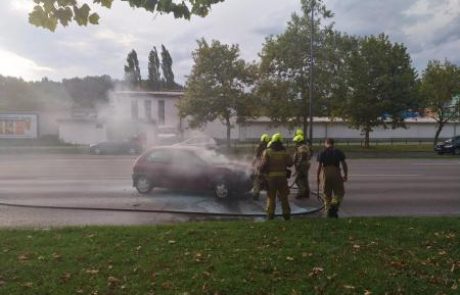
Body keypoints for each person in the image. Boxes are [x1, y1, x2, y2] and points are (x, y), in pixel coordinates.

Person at [259, 133, 293, 220]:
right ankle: (286, 215)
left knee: (271, 197)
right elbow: (290, 163)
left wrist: (260, 172)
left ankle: (270, 215)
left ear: (272, 141)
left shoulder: (267, 152)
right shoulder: (285, 152)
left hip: (271, 179)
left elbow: (263, 166)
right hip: (282, 178)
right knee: (284, 197)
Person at [316, 138, 348, 218]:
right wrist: (345, 175)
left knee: (326, 194)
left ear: (326, 143)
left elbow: (319, 166)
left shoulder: (322, 152)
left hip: (325, 173)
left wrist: (317, 178)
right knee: (340, 192)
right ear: (333, 144)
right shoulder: (338, 152)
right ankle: (334, 204)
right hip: (336, 172)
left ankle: (327, 212)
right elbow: (344, 164)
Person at [251, 133, 270, 200]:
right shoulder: (269, 147)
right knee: (268, 181)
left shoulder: (259, 147)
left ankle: (256, 194)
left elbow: (256, 157)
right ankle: (270, 194)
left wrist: (253, 165)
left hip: (260, 166)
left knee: (257, 180)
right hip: (268, 167)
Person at [292, 134, 312, 199]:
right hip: (306, 165)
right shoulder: (306, 147)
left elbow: (301, 157)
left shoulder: (301, 148)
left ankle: (301, 193)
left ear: (298, 141)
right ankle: (306, 193)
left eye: (296, 142)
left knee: (298, 180)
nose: (295, 143)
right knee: (305, 179)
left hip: (301, 166)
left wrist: (298, 165)